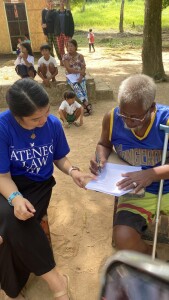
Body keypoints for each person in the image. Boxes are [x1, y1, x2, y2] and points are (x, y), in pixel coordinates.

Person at [0, 78, 94, 299]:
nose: (44, 121)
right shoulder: (3, 127)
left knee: (13, 224)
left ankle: (13, 285)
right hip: (7, 184)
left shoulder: (52, 124)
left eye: (46, 112)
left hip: (38, 186)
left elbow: (59, 158)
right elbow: (3, 176)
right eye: (35, 118)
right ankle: (56, 280)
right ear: (16, 116)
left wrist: (74, 172)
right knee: (9, 226)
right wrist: (15, 198)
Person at [90, 74, 169, 256]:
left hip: (166, 185)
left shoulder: (166, 121)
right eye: (123, 114)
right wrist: (101, 158)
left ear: (152, 108)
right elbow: (103, 144)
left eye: (134, 117)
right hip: (135, 190)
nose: (127, 122)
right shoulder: (112, 118)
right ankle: (150, 255)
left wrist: (151, 174)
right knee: (123, 237)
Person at [63, 39, 92, 116]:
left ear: (75, 47)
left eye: (71, 46)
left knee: (83, 87)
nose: (69, 48)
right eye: (68, 46)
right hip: (70, 77)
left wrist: (81, 76)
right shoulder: (65, 57)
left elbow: (83, 67)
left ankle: (85, 106)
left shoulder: (80, 56)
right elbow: (68, 69)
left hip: (80, 76)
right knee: (76, 87)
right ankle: (87, 104)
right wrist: (80, 72)